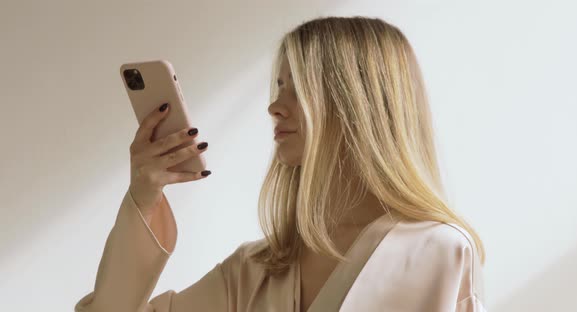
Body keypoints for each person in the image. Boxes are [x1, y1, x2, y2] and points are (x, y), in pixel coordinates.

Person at [75, 16, 487, 312]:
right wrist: (143, 199)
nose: (275, 106)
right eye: (279, 86)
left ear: (358, 103)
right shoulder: (254, 272)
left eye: (298, 87)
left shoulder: (438, 251)